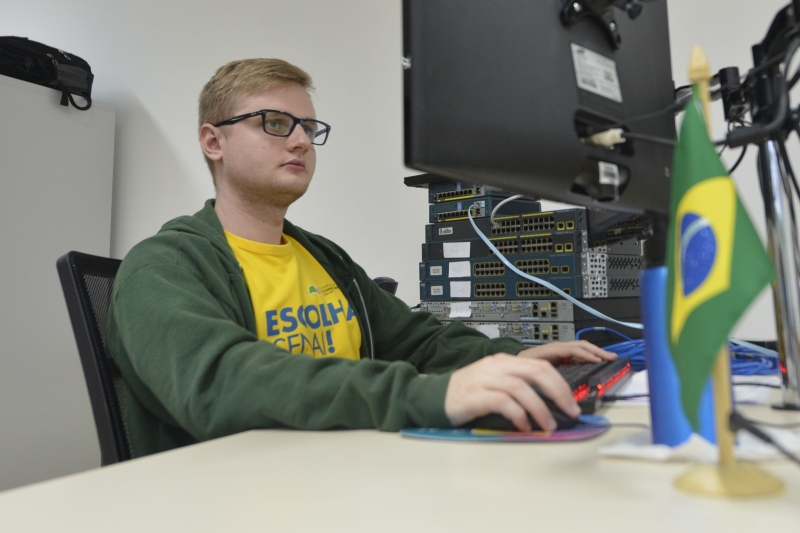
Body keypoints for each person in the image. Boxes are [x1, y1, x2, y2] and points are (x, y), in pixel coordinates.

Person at [107, 58, 615, 457]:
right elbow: (225, 382)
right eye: (276, 123)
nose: (302, 140)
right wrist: (430, 397)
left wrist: (508, 357)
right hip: (235, 497)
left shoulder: (321, 256)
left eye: (308, 127)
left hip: (343, 477)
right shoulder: (163, 267)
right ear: (213, 141)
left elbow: (417, 340)